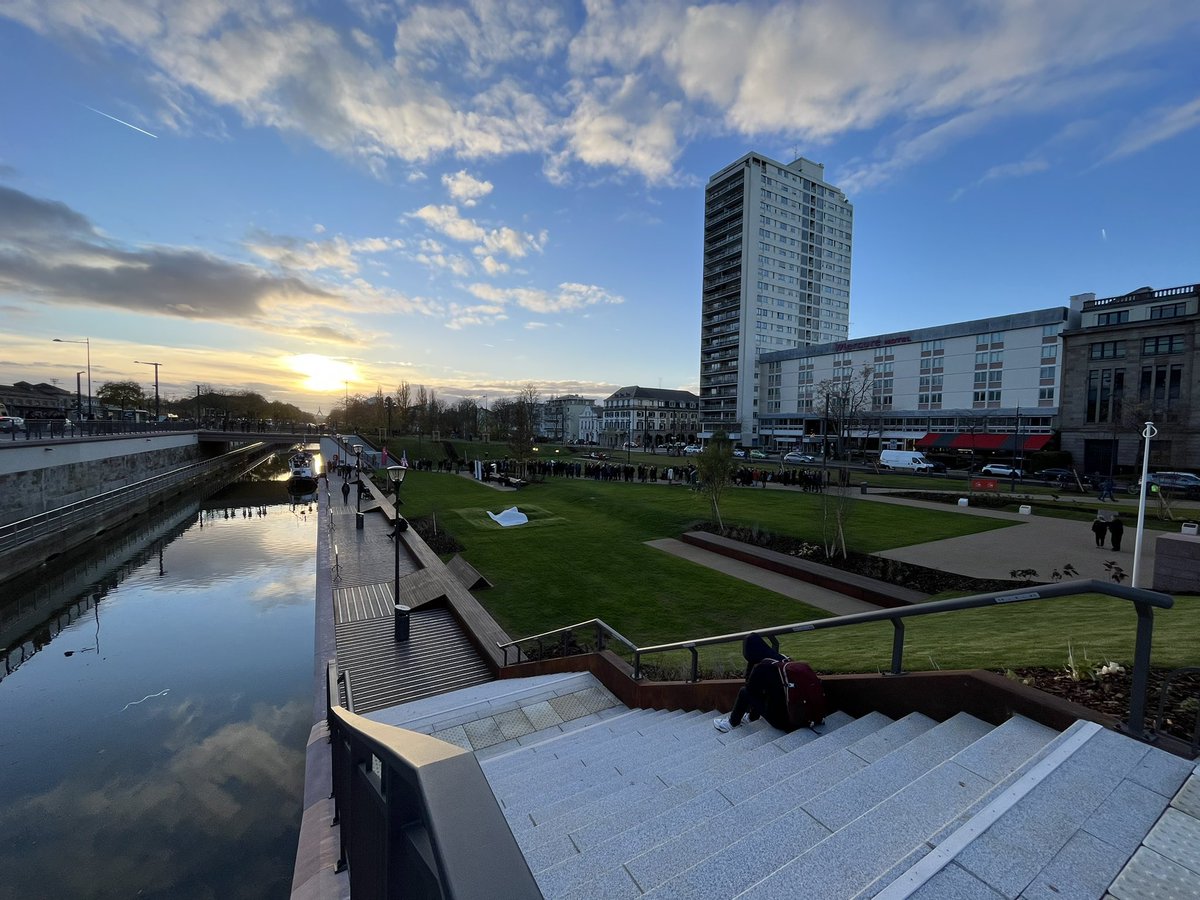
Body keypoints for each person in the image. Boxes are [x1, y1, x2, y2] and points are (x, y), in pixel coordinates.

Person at [714, 633, 789, 732]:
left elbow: (749, 691)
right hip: (795, 713)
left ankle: (732, 723)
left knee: (745, 692)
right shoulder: (783, 659)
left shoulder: (762, 667)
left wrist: (751, 666)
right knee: (759, 691)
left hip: (781, 721)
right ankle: (752, 717)